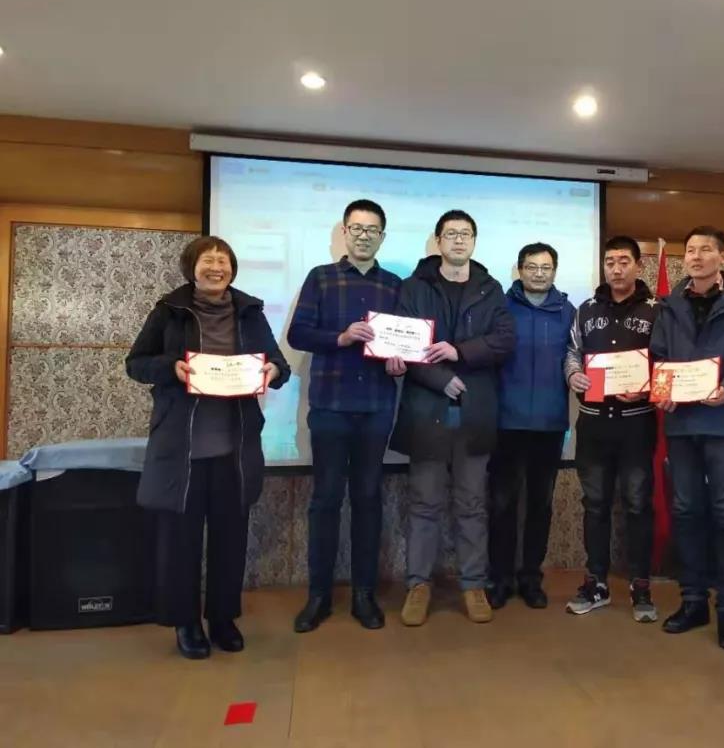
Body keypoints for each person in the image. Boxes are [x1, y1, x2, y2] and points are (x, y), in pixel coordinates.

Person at [126, 236, 290, 659]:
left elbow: (279, 363)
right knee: (180, 542)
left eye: (223, 261)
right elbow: (136, 363)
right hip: (182, 448)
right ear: (191, 268)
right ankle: (185, 621)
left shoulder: (249, 311)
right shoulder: (170, 310)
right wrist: (172, 367)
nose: (216, 267)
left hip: (234, 448)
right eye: (208, 261)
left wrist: (272, 371)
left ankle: (222, 618)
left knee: (230, 540)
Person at [391, 209, 516, 626]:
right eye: (451, 234)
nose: (458, 240)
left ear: (474, 242)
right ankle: (418, 585)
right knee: (424, 504)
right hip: (428, 409)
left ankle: (473, 585)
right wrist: (441, 379)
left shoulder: (490, 289)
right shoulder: (413, 287)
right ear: (438, 241)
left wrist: (460, 352)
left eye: (465, 234)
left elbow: (504, 340)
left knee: (472, 505)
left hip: (476, 412)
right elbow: (404, 344)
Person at [287, 200, 406, 634]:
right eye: (357, 228)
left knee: (369, 499)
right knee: (325, 500)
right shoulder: (320, 277)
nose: (364, 235)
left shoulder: (395, 285)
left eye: (372, 229)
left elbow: (405, 342)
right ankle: (318, 596)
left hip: (376, 407)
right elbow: (298, 334)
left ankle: (364, 594)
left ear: (382, 237)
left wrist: (400, 360)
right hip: (330, 407)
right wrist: (340, 337)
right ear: (344, 232)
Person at [649, 226, 724, 649]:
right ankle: (693, 600)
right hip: (681, 422)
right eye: (690, 251)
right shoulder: (669, 305)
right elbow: (658, 356)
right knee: (686, 511)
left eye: (705, 250)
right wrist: (661, 389)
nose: (696, 257)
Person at [564, 236, 659, 622]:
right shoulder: (585, 310)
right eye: (609, 262)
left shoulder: (657, 311)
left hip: (637, 424)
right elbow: (572, 351)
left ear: (638, 265)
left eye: (624, 261)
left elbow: (667, 360)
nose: (616, 269)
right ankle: (596, 583)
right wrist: (573, 374)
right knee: (595, 504)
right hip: (593, 423)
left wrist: (648, 388)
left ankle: (641, 586)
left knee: (638, 504)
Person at [487, 242, 575, 609]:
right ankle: (500, 579)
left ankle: (530, 578)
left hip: (550, 424)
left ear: (554, 271)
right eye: (532, 267)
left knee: (540, 505)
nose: (539, 273)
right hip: (505, 422)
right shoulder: (500, 308)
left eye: (546, 267)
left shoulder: (568, 312)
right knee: (501, 504)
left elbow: (576, 359)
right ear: (519, 269)